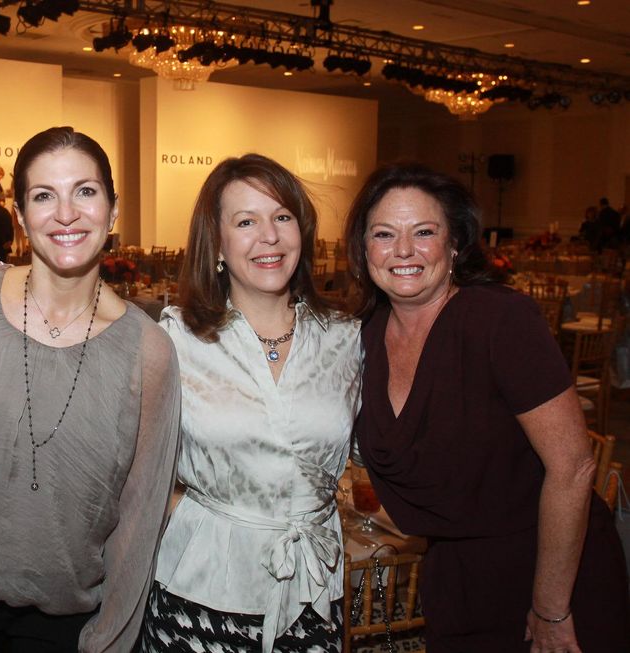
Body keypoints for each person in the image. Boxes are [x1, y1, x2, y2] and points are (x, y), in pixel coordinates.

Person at [0, 126, 181, 652]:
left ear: (114, 211)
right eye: (44, 196)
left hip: (65, 625)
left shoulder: (148, 350)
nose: (66, 213)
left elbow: (140, 518)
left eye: (85, 192)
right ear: (21, 216)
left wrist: (110, 638)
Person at [344, 162, 629, 652]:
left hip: (550, 569)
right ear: (364, 248)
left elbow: (574, 467)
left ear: (454, 245)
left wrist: (550, 606)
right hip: (455, 580)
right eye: (385, 234)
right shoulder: (364, 336)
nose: (404, 250)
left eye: (425, 232)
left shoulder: (500, 320)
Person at [140, 154, 361, 653]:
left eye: (282, 217)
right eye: (246, 221)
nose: (270, 236)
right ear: (216, 243)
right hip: (200, 593)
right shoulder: (176, 339)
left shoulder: (346, 338)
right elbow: (130, 456)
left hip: (313, 595)